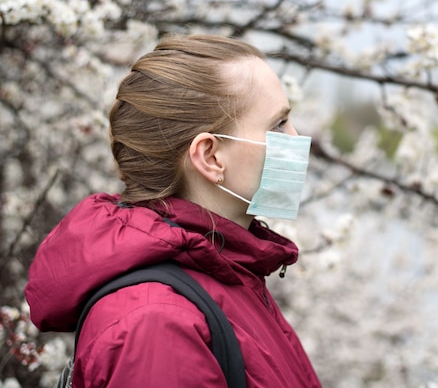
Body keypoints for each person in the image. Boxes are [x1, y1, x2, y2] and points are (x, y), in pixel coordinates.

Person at [25, 34, 322, 388]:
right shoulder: (156, 321)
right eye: (278, 124)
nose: (296, 137)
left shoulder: (230, 273)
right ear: (210, 157)